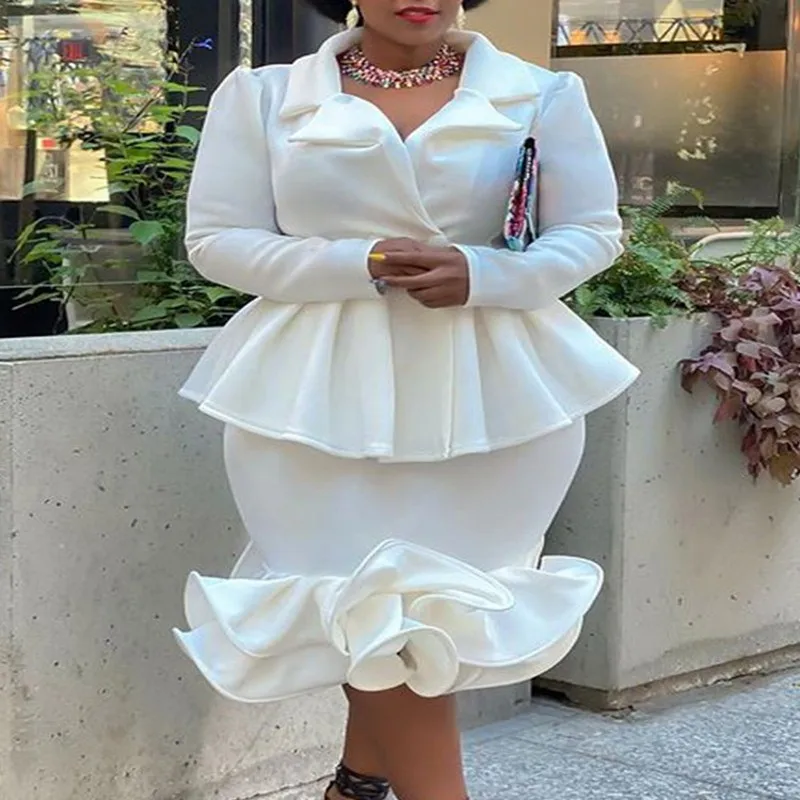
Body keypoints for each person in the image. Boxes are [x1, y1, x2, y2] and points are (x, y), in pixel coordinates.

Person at [173, 2, 639, 799]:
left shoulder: (541, 94)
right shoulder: (263, 94)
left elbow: (592, 230)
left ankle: (355, 787)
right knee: (357, 602)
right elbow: (217, 239)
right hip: (311, 390)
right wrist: (360, 261)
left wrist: (488, 273)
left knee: (429, 616)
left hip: (496, 391)